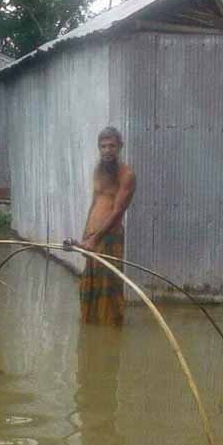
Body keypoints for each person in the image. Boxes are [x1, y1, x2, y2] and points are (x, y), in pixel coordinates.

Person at [78, 126, 136, 326]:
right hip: (92, 237)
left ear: (120, 146)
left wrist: (95, 239)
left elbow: (118, 211)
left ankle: (111, 329)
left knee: (108, 287)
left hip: (109, 237)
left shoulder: (126, 174)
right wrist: (86, 235)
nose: (107, 150)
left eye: (111, 146)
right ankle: (91, 329)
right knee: (90, 286)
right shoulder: (98, 170)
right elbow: (94, 203)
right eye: (103, 146)